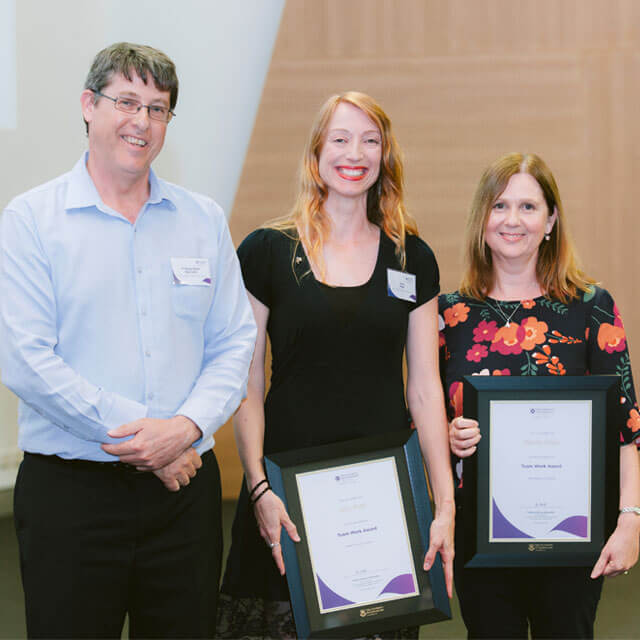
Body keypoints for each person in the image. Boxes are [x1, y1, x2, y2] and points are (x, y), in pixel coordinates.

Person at [0, 42, 256, 639]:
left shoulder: (203, 219)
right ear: (89, 105)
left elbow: (234, 342)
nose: (141, 122)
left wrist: (186, 428)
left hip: (184, 500)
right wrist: (151, 435)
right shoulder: (32, 220)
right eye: (127, 102)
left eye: (159, 108)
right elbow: (27, 358)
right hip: (72, 500)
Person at [216, 91, 454, 639]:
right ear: (317, 153)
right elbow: (246, 384)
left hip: (382, 501)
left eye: (371, 141)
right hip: (284, 496)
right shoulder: (266, 251)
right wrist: (257, 488)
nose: (355, 153)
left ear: (385, 157)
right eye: (341, 139)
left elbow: (424, 390)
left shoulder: (411, 258)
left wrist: (443, 506)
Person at [439, 152, 640, 639]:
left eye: (528, 207)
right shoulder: (447, 316)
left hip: (572, 531)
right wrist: (450, 435)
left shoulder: (592, 307)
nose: (512, 220)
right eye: (500, 205)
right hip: (479, 534)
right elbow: (425, 419)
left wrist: (631, 518)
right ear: (481, 219)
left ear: (550, 220)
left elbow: (626, 425)